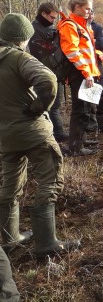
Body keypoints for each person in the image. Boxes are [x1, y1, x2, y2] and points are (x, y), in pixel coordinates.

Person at [0, 13, 80, 257]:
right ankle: (46, 244)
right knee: (50, 181)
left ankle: (10, 238)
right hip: (33, 132)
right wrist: (37, 108)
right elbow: (47, 79)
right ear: (23, 37)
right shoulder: (19, 57)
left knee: (10, 186)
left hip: (6, 137)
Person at [59, 0, 103, 156]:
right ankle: (75, 147)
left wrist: (97, 53)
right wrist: (86, 73)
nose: (89, 12)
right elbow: (71, 51)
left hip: (86, 73)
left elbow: (86, 48)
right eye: (86, 8)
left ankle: (81, 139)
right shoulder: (69, 26)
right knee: (80, 110)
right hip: (79, 74)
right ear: (76, 7)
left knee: (86, 109)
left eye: (90, 9)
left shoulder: (82, 25)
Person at [27, 2, 68, 142]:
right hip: (43, 72)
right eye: (51, 17)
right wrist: (59, 40)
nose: (53, 20)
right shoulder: (34, 29)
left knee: (57, 104)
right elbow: (43, 50)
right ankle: (55, 133)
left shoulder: (51, 27)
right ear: (43, 14)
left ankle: (55, 132)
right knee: (49, 105)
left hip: (57, 71)